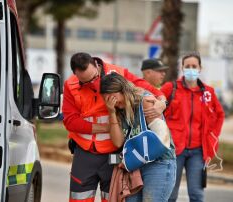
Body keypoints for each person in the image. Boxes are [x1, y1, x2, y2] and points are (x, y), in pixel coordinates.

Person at [62, 52, 167, 202]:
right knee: (79, 198)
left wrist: (162, 100)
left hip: (114, 152)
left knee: (113, 197)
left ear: (96, 65)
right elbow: (70, 121)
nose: (93, 84)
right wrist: (108, 127)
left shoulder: (118, 73)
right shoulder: (70, 85)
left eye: (94, 78)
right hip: (84, 152)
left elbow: (143, 86)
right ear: (76, 75)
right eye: (85, 82)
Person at [100, 72, 176, 202]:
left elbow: (162, 140)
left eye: (113, 98)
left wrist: (132, 160)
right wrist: (112, 112)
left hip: (159, 163)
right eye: (107, 100)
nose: (113, 103)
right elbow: (118, 142)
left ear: (123, 89)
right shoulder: (117, 110)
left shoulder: (145, 102)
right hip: (136, 168)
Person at [160, 52, 225, 202]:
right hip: (173, 150)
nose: (191, 69)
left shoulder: (208, 92)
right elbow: (155, 108)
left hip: (198, 151)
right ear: (182, 68)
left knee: (197, 195)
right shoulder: (171, 88)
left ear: (200, 68)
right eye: (187, 66)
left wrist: (212, 135)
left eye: (194, 66)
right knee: (170, 194)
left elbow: (219, 114)